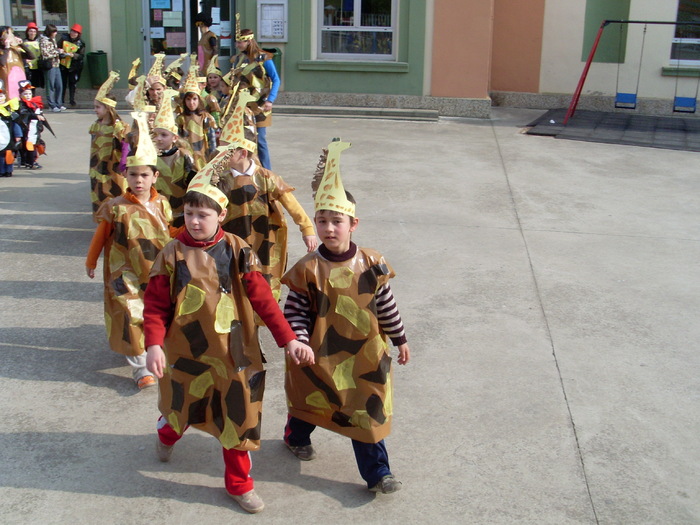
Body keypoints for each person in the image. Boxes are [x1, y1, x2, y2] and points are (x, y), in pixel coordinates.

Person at [143, 151, 315, 514]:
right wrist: (154, 346)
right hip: (185, 352)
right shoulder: (171, 255)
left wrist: (289, 339)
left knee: (241, 415)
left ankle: (239, 485)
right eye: (188, 213)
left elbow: (264, 301)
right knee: (182, 408)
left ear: (221, 215)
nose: (193, 221)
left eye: (202, 215)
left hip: (236, 353)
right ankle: (166, 434)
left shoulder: (238, 251)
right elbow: (155, 307)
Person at [281, 139, 411, 494]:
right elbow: (293, 310)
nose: (328, 228)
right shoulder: (308, 268)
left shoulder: (370, 263)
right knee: (312, 400)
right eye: (321, 221)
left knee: (365, 411)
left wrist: (399, 338)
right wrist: (299, 341)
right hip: (317, 353)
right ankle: (295, 436)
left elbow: (385, 304)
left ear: (353, 223)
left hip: (364, 356)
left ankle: (378, 473)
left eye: (336, 221)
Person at [85, 113, 172, 390]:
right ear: (124, 175)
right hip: (124, 271)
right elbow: (101, 235)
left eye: (144, 175)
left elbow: (169, 233)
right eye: (133, 174)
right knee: (130, 313)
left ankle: (156, 350)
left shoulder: (163, 204)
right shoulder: (116, 206)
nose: (138, 180)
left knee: (156, 312)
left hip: (156, 269)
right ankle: (140, 368)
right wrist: (91, 260)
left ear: (155, 176)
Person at [218, 91, 317, 302]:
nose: (221, 155)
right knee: (234, 279)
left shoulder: (267, 178)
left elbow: (293, 206)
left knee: (262, 279)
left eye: (227, 151)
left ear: (243, 153)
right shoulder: (221, 180)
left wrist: (307, 229)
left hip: (264, 239)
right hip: (233, 238)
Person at [230, 14, 280, 170]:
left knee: (261, 139)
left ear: (249, 41)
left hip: (261, 104)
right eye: (237, 42)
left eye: (240, 42)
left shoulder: (264, 58)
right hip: (243, 105)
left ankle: (266, 171)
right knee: (245, 138)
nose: (237, 45)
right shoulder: (240, 59)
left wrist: (270, 100)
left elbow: (276, 79)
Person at [151, 89, 196, 228]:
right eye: (156, 134)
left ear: (174, 137)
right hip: (156, 209)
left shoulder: (183, 156)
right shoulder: (150, 157)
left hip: (180, 211)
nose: (158, 138)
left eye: (164, 135)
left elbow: (191, 182)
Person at [89, 71, 129, 220]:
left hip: (113, 170)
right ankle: (102, 223)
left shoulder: (119, 127)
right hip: (97, 169)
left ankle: (117, 223)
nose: (95, 110)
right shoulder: (95, 125)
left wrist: (124, 165)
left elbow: (125, 147)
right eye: (95, 106)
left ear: (108, 108)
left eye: (98, 107)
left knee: (114, 196)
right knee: (99, 196)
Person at [176, 62, 218, 171]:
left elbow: (212, 141)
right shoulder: (180, 119)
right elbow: (178, 140)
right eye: (188, 99)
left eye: (194, 99)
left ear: (199, 100)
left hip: (204, 158)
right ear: (184, 101)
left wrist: (213, 160)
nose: (191, 103)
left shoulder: (206, 118)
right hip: (186, 159)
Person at [16, 79, 45, 169]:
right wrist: (36, 116)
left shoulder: (34, 103)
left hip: (35, 129)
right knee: (29, 146)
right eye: (25, 94)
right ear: (21, 95)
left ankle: (28, 160)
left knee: (37, 145)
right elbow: (25, 115)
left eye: (29, 93)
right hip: (26, 129)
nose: (28, 96)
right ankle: (31, 162)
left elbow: (39, 114)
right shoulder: (21, 105)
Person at [39, 24, 66, 112]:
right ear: (49, 32)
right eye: (54, 32)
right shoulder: (44, 40)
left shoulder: (53, 39)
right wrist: (58, 52)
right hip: (49, 65)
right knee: (50, 85)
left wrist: (58, 51)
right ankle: (52, 105)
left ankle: (59, 104)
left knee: (59, 85)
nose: (56, 33)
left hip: (56, 64)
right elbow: (45, 54)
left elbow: (53, 50)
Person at [0, 26, 31, 100]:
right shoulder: (2, 50)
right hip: (6, 78)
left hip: (18, 76)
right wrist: (7, 48)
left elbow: (31, 56)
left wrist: (21, 44)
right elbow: (2, 62)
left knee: (19, 93)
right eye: (7, 33)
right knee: (8, 93)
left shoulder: (15, 49)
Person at [59, 23, 85, 108]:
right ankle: (61, 100)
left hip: (74, 66)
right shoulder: (63, 38)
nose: (73, 34)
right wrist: (60, 51)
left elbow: (81, 56)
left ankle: (72, 100)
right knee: (62, 83)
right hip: (63, 64)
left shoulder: (81, 43)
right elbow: (57, 47)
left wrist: (74, 55)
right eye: (72, 31)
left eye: (75, 33)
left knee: (72, 83)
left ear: (78, 34)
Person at [0, 87, 22, 177]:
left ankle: (9, 170)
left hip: (9, 137)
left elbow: (16, 124)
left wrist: (18, 135)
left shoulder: (10, 110)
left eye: (1, 96)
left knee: (9, 154)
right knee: (0, 156)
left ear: (5, 97)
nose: (0, 98)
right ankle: (1, 171)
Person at [194, 12, 218, 76]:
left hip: (208, 64)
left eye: (200, 24)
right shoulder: (203, 37)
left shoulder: (211, 36)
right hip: (201, 64)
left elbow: (215, 50)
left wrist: (212, 62)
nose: (199, 26)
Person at [23, 22, 43, 90]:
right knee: (27, 85)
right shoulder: (23, 42)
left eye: (34, 31)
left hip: (37, 66)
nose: (32, 33)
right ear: (27, 32)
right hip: (27, 67)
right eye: (31, 31)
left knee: (35, 85)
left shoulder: (39, 42)